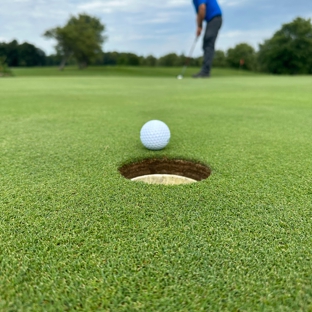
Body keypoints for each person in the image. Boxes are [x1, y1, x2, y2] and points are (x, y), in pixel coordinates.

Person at [192, 0, 222, 78]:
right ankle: (205, 70)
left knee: (208, 43)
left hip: (215, 18)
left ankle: (205, 72)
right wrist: (198, 26)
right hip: (212, 20)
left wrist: (200, 26)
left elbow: (202, 8)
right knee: (206, 44)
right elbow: (199, 13)